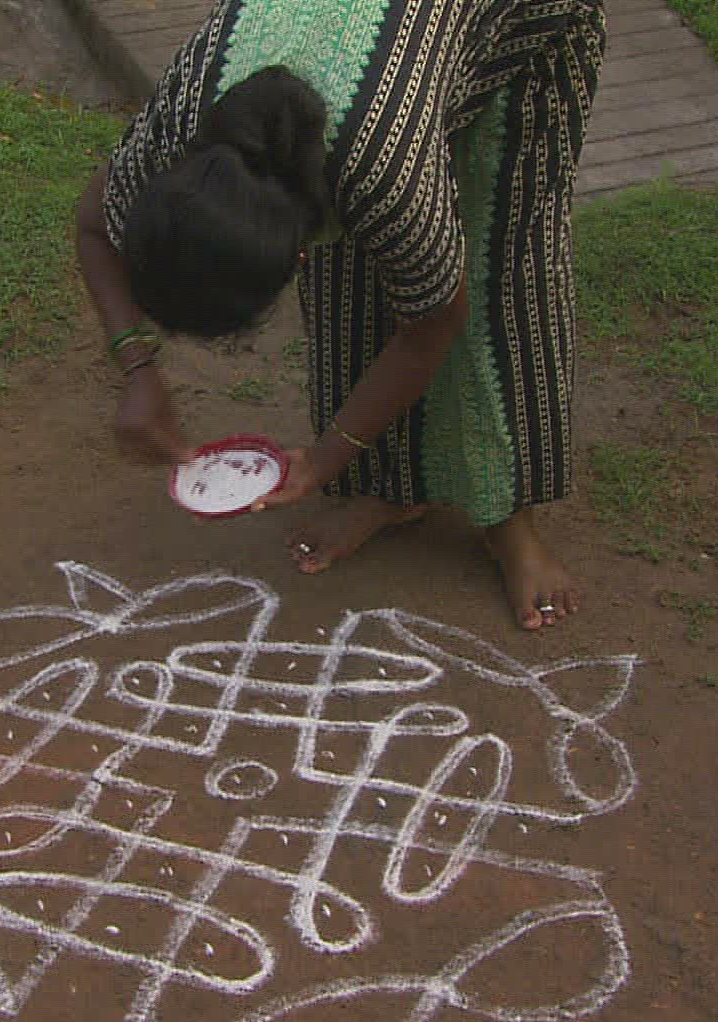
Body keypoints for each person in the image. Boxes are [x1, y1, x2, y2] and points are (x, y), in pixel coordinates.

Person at [74, 0, 604, 630]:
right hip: (380, 71)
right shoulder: (182, 127)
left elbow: (436, 320)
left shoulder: (379, 167)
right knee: (349, 278)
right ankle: (390, 488)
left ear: (294, 254)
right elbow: (93, 223)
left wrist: (322, 460)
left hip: (520, 25)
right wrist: (137, 368)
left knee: (497, 254)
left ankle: (509, 519)